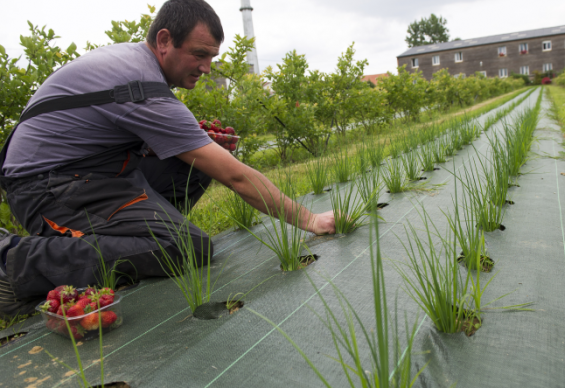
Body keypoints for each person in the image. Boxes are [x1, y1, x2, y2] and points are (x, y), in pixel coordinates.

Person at [0, 0, 335, 319]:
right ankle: (12, 262)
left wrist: (194, 142)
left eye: (211, 57)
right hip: (44, 189)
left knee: (194, 162)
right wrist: (311, 221)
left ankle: (137, 244)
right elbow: (236, 178)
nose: (206, 67)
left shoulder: (135, 63)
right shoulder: (140, 84)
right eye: (199, 54)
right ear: (164, 40)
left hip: (85, 173)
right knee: (188, 247)